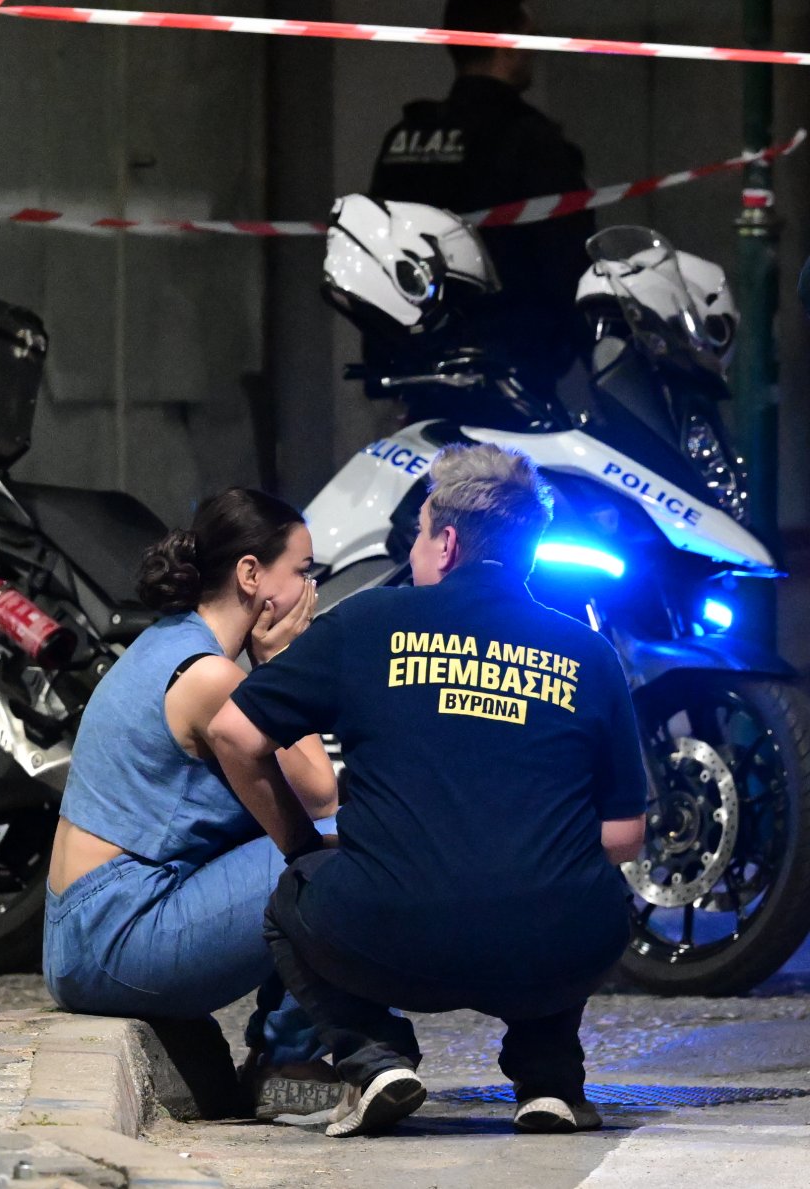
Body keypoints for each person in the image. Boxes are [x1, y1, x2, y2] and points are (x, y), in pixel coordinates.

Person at [211, 444, 648, 1138]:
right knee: (579, 886)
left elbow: (232, 734)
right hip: (547, 953)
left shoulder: (365, 623)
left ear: (446, 542)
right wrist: (525, 857)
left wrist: (301, 846)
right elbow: (625, 836)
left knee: (291, 899)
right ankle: (551, 1081)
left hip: (389, 936)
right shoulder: (590, 654)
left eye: (418, 534)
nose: (415, 549)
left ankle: (372, 1058)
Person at [44, 489, 340, 1121]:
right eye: (303, 571)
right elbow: (320, 793)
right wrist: (280, 662)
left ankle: (284, 1055)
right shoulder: (209, 676)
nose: (311, 592)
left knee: (296, 836)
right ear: (251, 574)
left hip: (86, 930)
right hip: (118, 932)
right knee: (349, 847)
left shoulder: (169, 643)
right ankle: (286, 1061)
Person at [368, 0, 594, 393]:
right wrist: (578, 347)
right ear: (508, 44)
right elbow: (567, 261)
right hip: (507, 366)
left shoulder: (406, 136)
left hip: (412, 362)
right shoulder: (529, 139)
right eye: (531, 35)